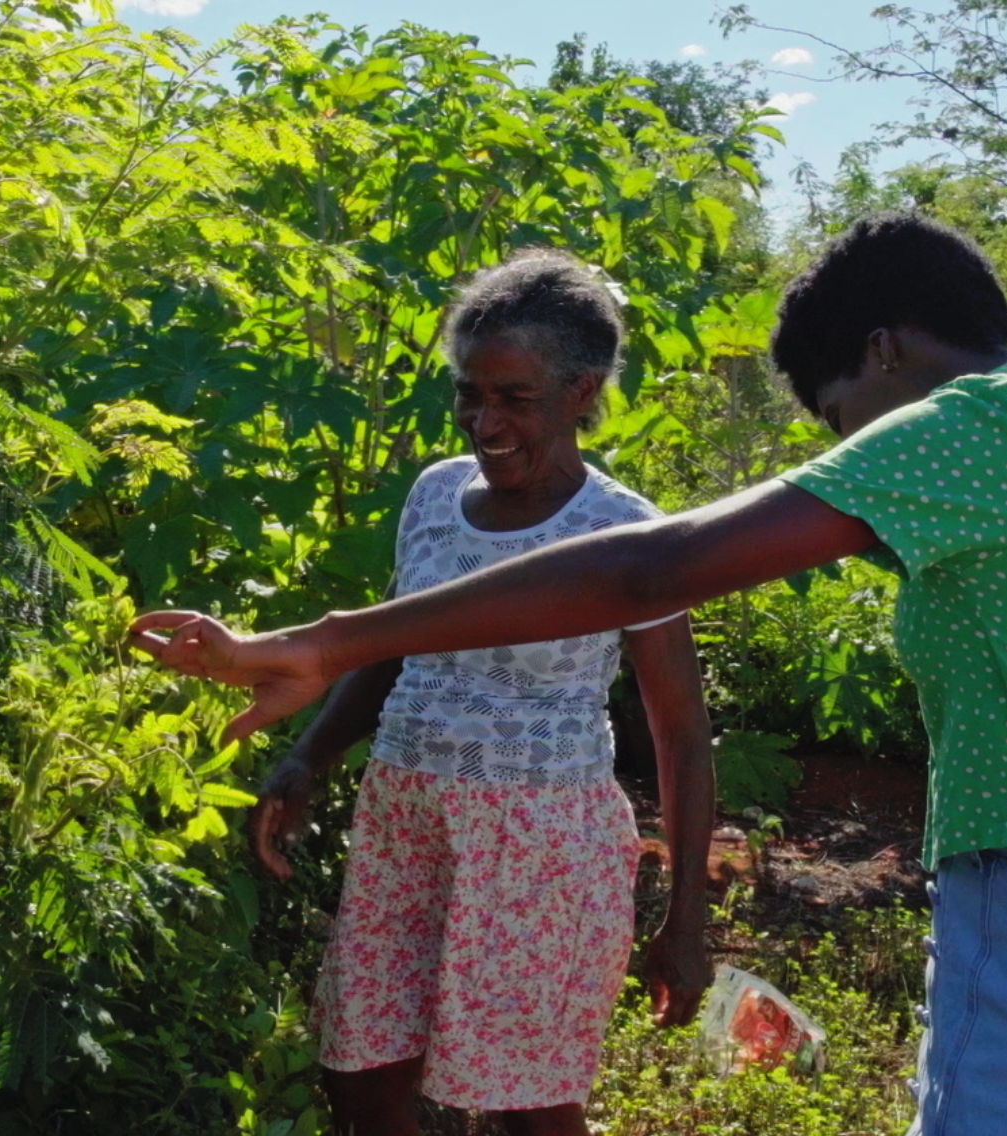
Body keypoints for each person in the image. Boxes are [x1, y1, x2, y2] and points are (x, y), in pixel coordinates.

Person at [132, 214, 1007, 1136]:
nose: (854, 455)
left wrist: (326, 637)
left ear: (882, 351)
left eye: (840, 416)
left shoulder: (968, 425)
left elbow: (657, 567)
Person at [230, 250, 715, 1136]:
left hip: (538, 848)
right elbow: (394, 643)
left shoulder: (626, 532)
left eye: (514, 399)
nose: (483, 422)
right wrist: (312, 752)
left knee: (525, 1103)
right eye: (469, 394)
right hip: (404, 826)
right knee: (361, 1074)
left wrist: (686, 921)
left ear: (583, 391)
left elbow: (679, 734)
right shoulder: (435, 494)